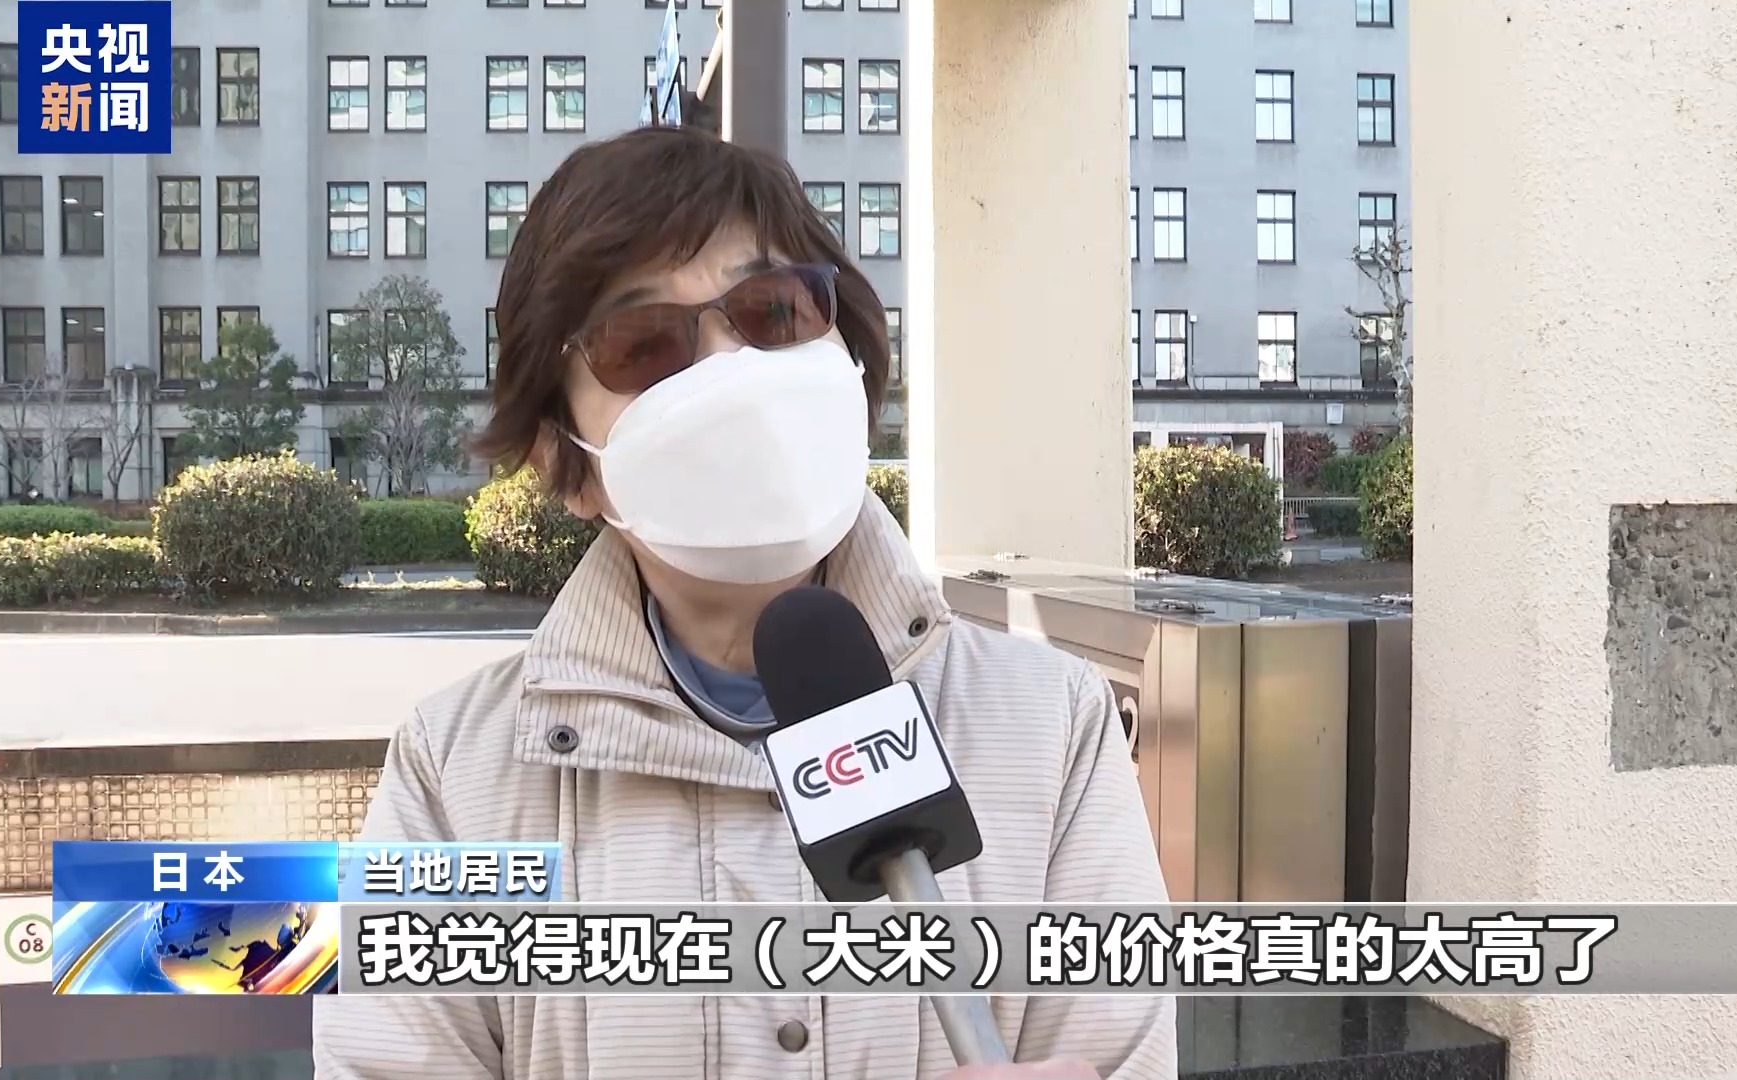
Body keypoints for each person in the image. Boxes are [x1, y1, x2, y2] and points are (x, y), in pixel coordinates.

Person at [313, 125, 1174, 1080]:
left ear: (847, 355)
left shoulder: (1053, 729)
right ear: (567, 465)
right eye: (646, 344)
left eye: (773, 312)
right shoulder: (454, 777)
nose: (732, 371)